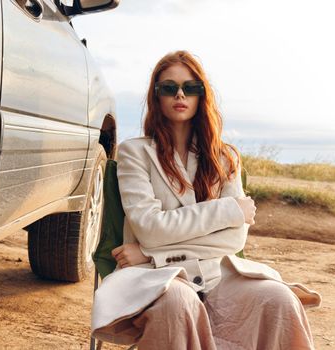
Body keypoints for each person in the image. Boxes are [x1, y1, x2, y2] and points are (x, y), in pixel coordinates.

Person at [91, 50, 321, 350]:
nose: (180, 94)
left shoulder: (224, 159)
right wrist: (229, 210)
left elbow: (234, 240)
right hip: (156, 277)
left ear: (202, 95)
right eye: (169, 88)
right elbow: (149, 228)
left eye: (191, 87)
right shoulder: (135, 153)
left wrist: (151, 252)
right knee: (176, 304)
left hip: (215, 273)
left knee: (279, 300)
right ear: (156, 96)